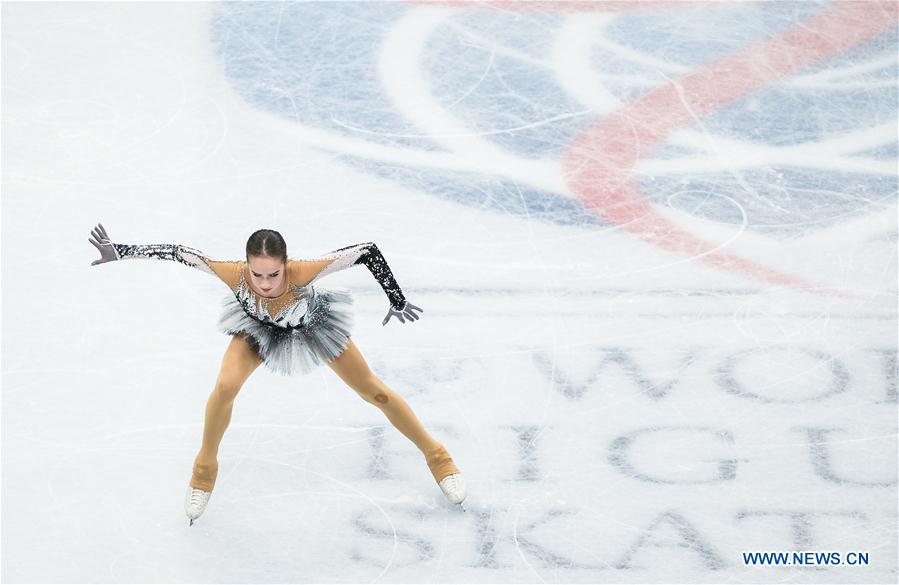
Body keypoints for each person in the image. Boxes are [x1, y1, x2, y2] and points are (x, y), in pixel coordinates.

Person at [87, 222, 466, 525]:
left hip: (312, 327)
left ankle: (439, 458)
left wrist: (395, 298)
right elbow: (181, 253)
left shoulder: (302, 272)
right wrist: (119, 251)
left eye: (273, 275)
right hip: (256, 331)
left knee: (374, 392)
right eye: (257, 275)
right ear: (246, 265)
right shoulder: (232, 275)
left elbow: (366, 251)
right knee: (225, 386)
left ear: (286, 265)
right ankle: (203, 470)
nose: (265, 284)